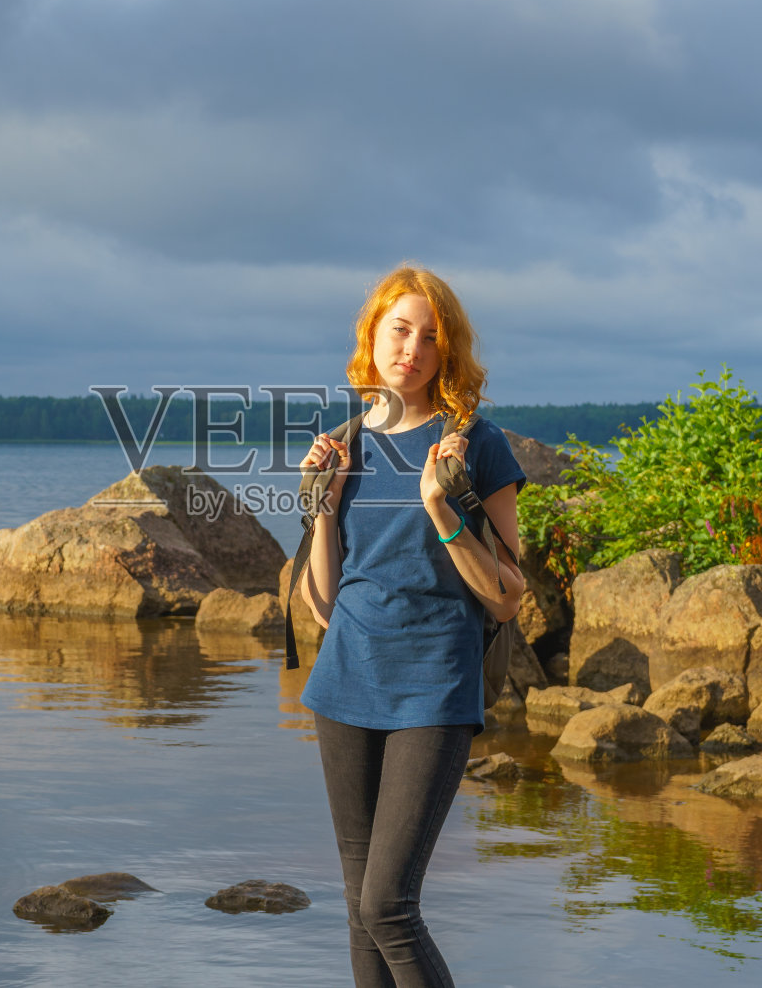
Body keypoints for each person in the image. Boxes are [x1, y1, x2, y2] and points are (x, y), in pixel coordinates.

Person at [298, 265, 526, 988]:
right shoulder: (343, 444)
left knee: (389, 905)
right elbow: (325, 601)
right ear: (372, 335)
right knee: (359, 911)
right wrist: (326, 503)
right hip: (345, 685)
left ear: (448, 351)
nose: (413, 347)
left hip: (434, 686)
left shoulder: (473, 446)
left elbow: (508, 597)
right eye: (400, 329)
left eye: (432, 336)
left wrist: (440, 507)